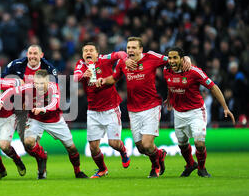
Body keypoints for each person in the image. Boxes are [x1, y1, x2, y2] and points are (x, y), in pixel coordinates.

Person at [98, 37, 191, 178]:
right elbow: (114, 78)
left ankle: (155, 167)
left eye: (134, 48)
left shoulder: (152, 57)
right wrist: (104, 80)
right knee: (141, 148)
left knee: (147, 144)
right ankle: (160, 154)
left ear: (141, 49)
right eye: (128, 48)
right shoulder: (122, 63)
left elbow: (172, 60)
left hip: (151, 106)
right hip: (133, 109)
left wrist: (187, 58)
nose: (130, 50)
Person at [0, 69, 88, 179]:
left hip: (55, 121)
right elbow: (11, 91)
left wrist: (42, 109)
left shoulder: (54, 87)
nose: (39, 86)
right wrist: (0, 101)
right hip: (36, 119)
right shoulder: (29, 87)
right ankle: (42, 158)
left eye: (42, 83)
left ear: (48, 81)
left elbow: (55, 104)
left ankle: (78, 171)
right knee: (28, 142)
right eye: (36, 83)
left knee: (71, 148)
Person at [163, 47, 235, 177]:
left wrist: (225, 107)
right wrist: (169, 98)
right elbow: (171, 85)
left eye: (175, 58)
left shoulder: (194, 71)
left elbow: (213, 87)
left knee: (199, 144)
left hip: (196, 111)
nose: (172, 61)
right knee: (182, 144)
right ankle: (190, 164)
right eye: (170, 58)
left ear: (182, 58)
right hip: (178, 113)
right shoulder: (166, 70)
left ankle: (201, 168)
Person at [73, 42, 131, 178]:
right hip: (93, 111)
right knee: (93, 147)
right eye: (85, 50)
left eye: (91, 50)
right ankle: (102, 169)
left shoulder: (104, 60)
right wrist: (83, 76)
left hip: (111, 109)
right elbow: (75, 77)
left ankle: (123, 151)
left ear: (97, 53)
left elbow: (120, 54)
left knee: (113, 144)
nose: (88, 52)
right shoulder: (81, 65)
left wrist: (125, 59)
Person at [1, 45, 58, 144]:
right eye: (30, 53)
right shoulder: (16, 65)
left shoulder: (48, 68)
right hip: (18, 108)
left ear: (41, 55)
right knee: (25, 142)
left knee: (33, 141)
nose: (32, 56)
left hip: (37, 108)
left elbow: (54, 90)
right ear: (27, 54)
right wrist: (15, 81)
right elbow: (1, 82)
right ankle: (39, 155)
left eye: (35, 53)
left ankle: (41, 157)